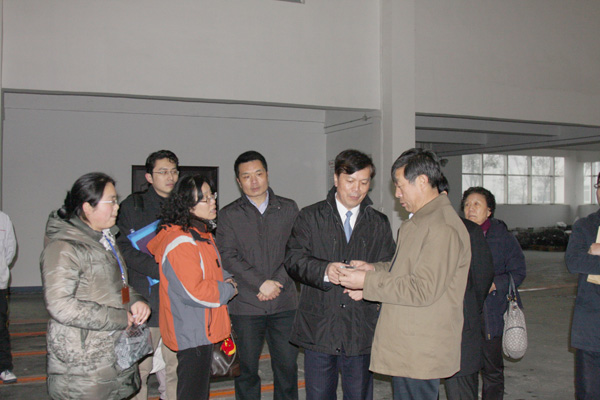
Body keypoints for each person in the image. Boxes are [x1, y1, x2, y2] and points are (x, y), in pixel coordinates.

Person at [339, 148, 471, 400]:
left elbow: (421, 288)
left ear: (421, 181)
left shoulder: (441, 227)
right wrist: (373, 269)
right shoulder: (423, 221)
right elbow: (406, 269)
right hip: (410, 345)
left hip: (420, 349)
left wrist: (367, 282)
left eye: (400, 186)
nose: (397, 194)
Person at [285, 149, 396, 400]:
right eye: (350, 181)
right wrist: (325, 270)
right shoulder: (310, 217)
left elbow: (391, 265)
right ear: (336, 179)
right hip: (320, 328)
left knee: (359, 395)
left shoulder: (378, 222)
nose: (357, 189)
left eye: (364, 182)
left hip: (360, 328)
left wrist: (368, 284)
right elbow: (293, 259)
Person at [40, 172, 150, 399]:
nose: (117, 207)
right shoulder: (64, 247)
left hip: (111, 351)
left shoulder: (105, 240)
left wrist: (134, 300)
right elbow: (61, 306)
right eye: (111, 201)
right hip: (83, 362)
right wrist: (118, 317)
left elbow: (119, 285)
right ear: (87, 208)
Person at [217, 151, 299, 400]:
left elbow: (297, 251)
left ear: (267, 175)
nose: (254, 181)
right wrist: (260, 283)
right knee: (246, 371)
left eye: (258, 174)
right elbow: (227, 255)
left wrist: (277, 282)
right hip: (246, 305)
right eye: (246, 176)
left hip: (284, 304)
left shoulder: (288, 208)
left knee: (287, 369)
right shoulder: (229, 214)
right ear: (238, 181)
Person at [147, 175, 237, 400]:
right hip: (192, 332)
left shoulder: (201, 233)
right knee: (192, 393)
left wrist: (227, 279)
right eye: (204, 198)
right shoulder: (182, 242)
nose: (213, 202)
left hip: (202, 328)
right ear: (187, 205)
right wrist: (228, 290)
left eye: (212, 195)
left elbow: (212, 269)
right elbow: (194, 291)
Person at [117, 149, 179, 400]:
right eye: (163, 172)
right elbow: (122, 249)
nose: (170, 177)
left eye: (174, 171)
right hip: (145, 299)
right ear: (149, 177)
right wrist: (158, 269)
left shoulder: (185, 204)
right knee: (139, 369)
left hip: (178, 301)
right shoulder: (133, 205)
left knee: (176, 368)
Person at [461, 186, 526, 400]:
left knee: (492, 370)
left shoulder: (503, 237)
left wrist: (495, 283)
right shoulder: (458, 234)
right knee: (465, 368)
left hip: (492, 312)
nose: (470, 209)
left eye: (476, 204)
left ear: (489, 210)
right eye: (467, 205)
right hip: (464, 313)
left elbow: (518, 271)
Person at [438, 177, 495, 400]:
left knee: (461, 388)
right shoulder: (411, 228)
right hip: (429, 333)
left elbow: (481, 278)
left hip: (463, 326)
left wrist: (465, 306)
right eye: (468, 204)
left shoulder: (469, 231)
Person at [566, 172, 600, 400]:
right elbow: (574, 262)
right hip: (591, 328)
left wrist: (596, 251)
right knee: (588, 392)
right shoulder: (585, 226)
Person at [0, 211, 17, 384]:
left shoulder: (3, 219)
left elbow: (10, 250)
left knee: (1, 327)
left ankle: (4, 367)